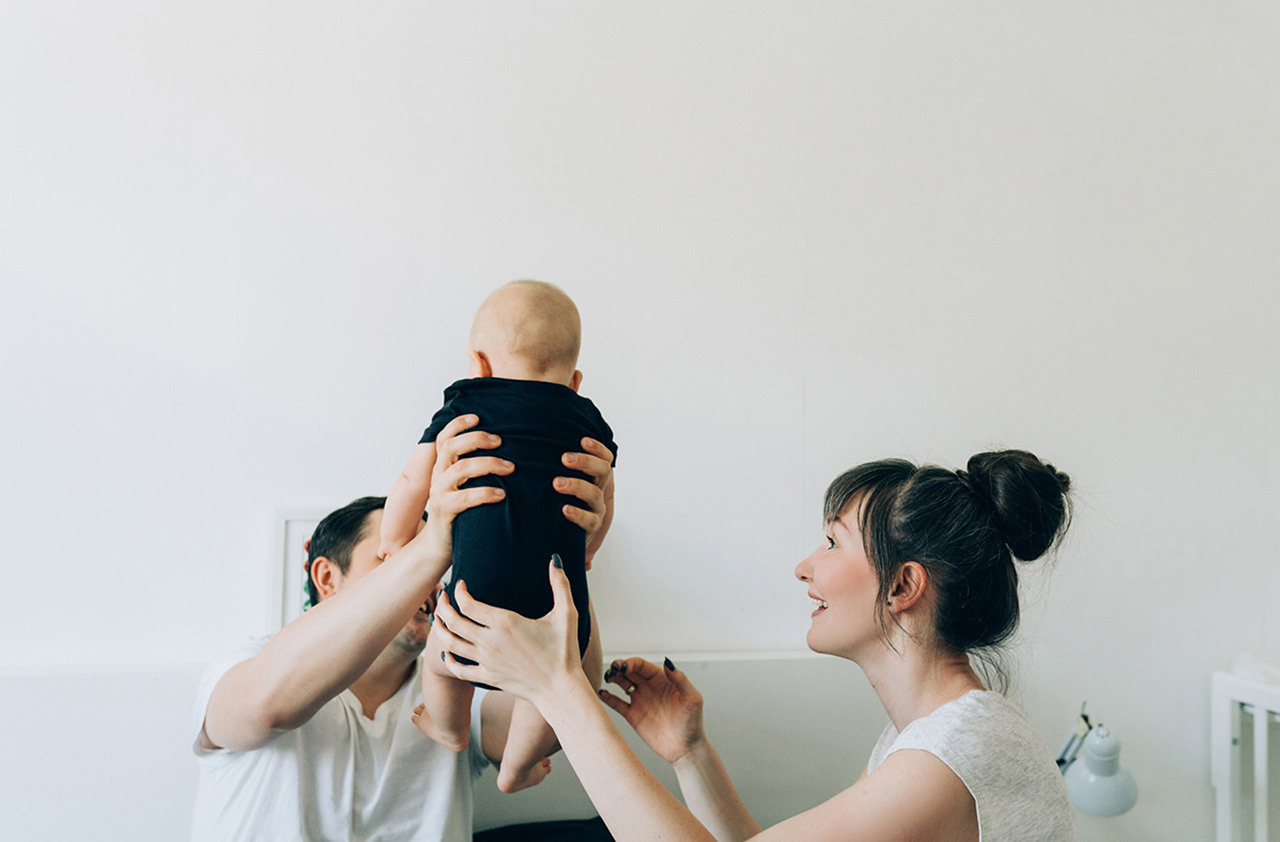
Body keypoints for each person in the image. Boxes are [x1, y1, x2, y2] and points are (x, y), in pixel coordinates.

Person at [433, 449, 1076, 841]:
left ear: (904, 584)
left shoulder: (951, 755)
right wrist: (690, 753)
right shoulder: (931, 738)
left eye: (832, 543)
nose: (805, 567)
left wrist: (559, 689)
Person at [190, 416, 615, 842]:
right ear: (326, 577)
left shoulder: (455, 690)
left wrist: (570, 549)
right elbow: (266, 707)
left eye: (440, 565)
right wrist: (433, 544)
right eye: (392, 556)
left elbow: (559, 719)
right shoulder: (245, 661)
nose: (429, 580)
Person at [380, 280, 617, 794]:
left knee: (444, 664)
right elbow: (602, 498)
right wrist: (591, 550)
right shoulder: (588, 420)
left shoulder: (467, 406)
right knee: (553, 687)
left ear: (478, 364)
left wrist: (397, 540)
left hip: (473, 598)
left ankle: (448, 727)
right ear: (574, 379)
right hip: (559, 606)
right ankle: (516, 766)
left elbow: (412, 480)